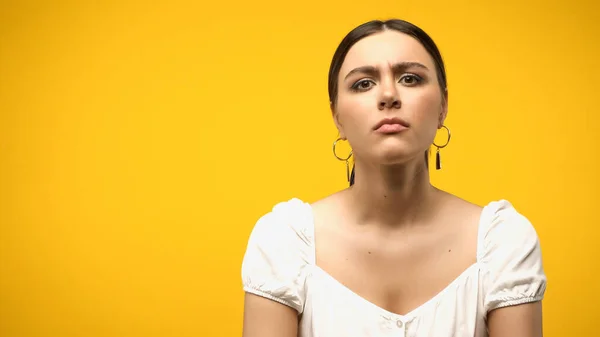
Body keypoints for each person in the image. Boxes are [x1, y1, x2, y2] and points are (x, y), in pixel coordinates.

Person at [240, 18, 547, 337]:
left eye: (410, 79)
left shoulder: (503, 243)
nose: (388, 95)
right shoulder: (284, 242)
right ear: (337, 117)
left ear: (443, 105)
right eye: (363, 83)